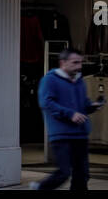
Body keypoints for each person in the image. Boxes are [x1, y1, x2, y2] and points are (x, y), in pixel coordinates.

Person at [34, 48, 104, 191]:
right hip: (61, 134)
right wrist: (70, 113)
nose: (79, 66)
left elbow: (83, 104)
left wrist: (92, 106)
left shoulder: (79, 81)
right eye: (75, 62)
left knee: (83, 174)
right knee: (64, 173)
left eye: (80, 62)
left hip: (80, 134)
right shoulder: (49, 79)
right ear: (63, 63)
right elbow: (46, 102)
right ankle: (40, 188)